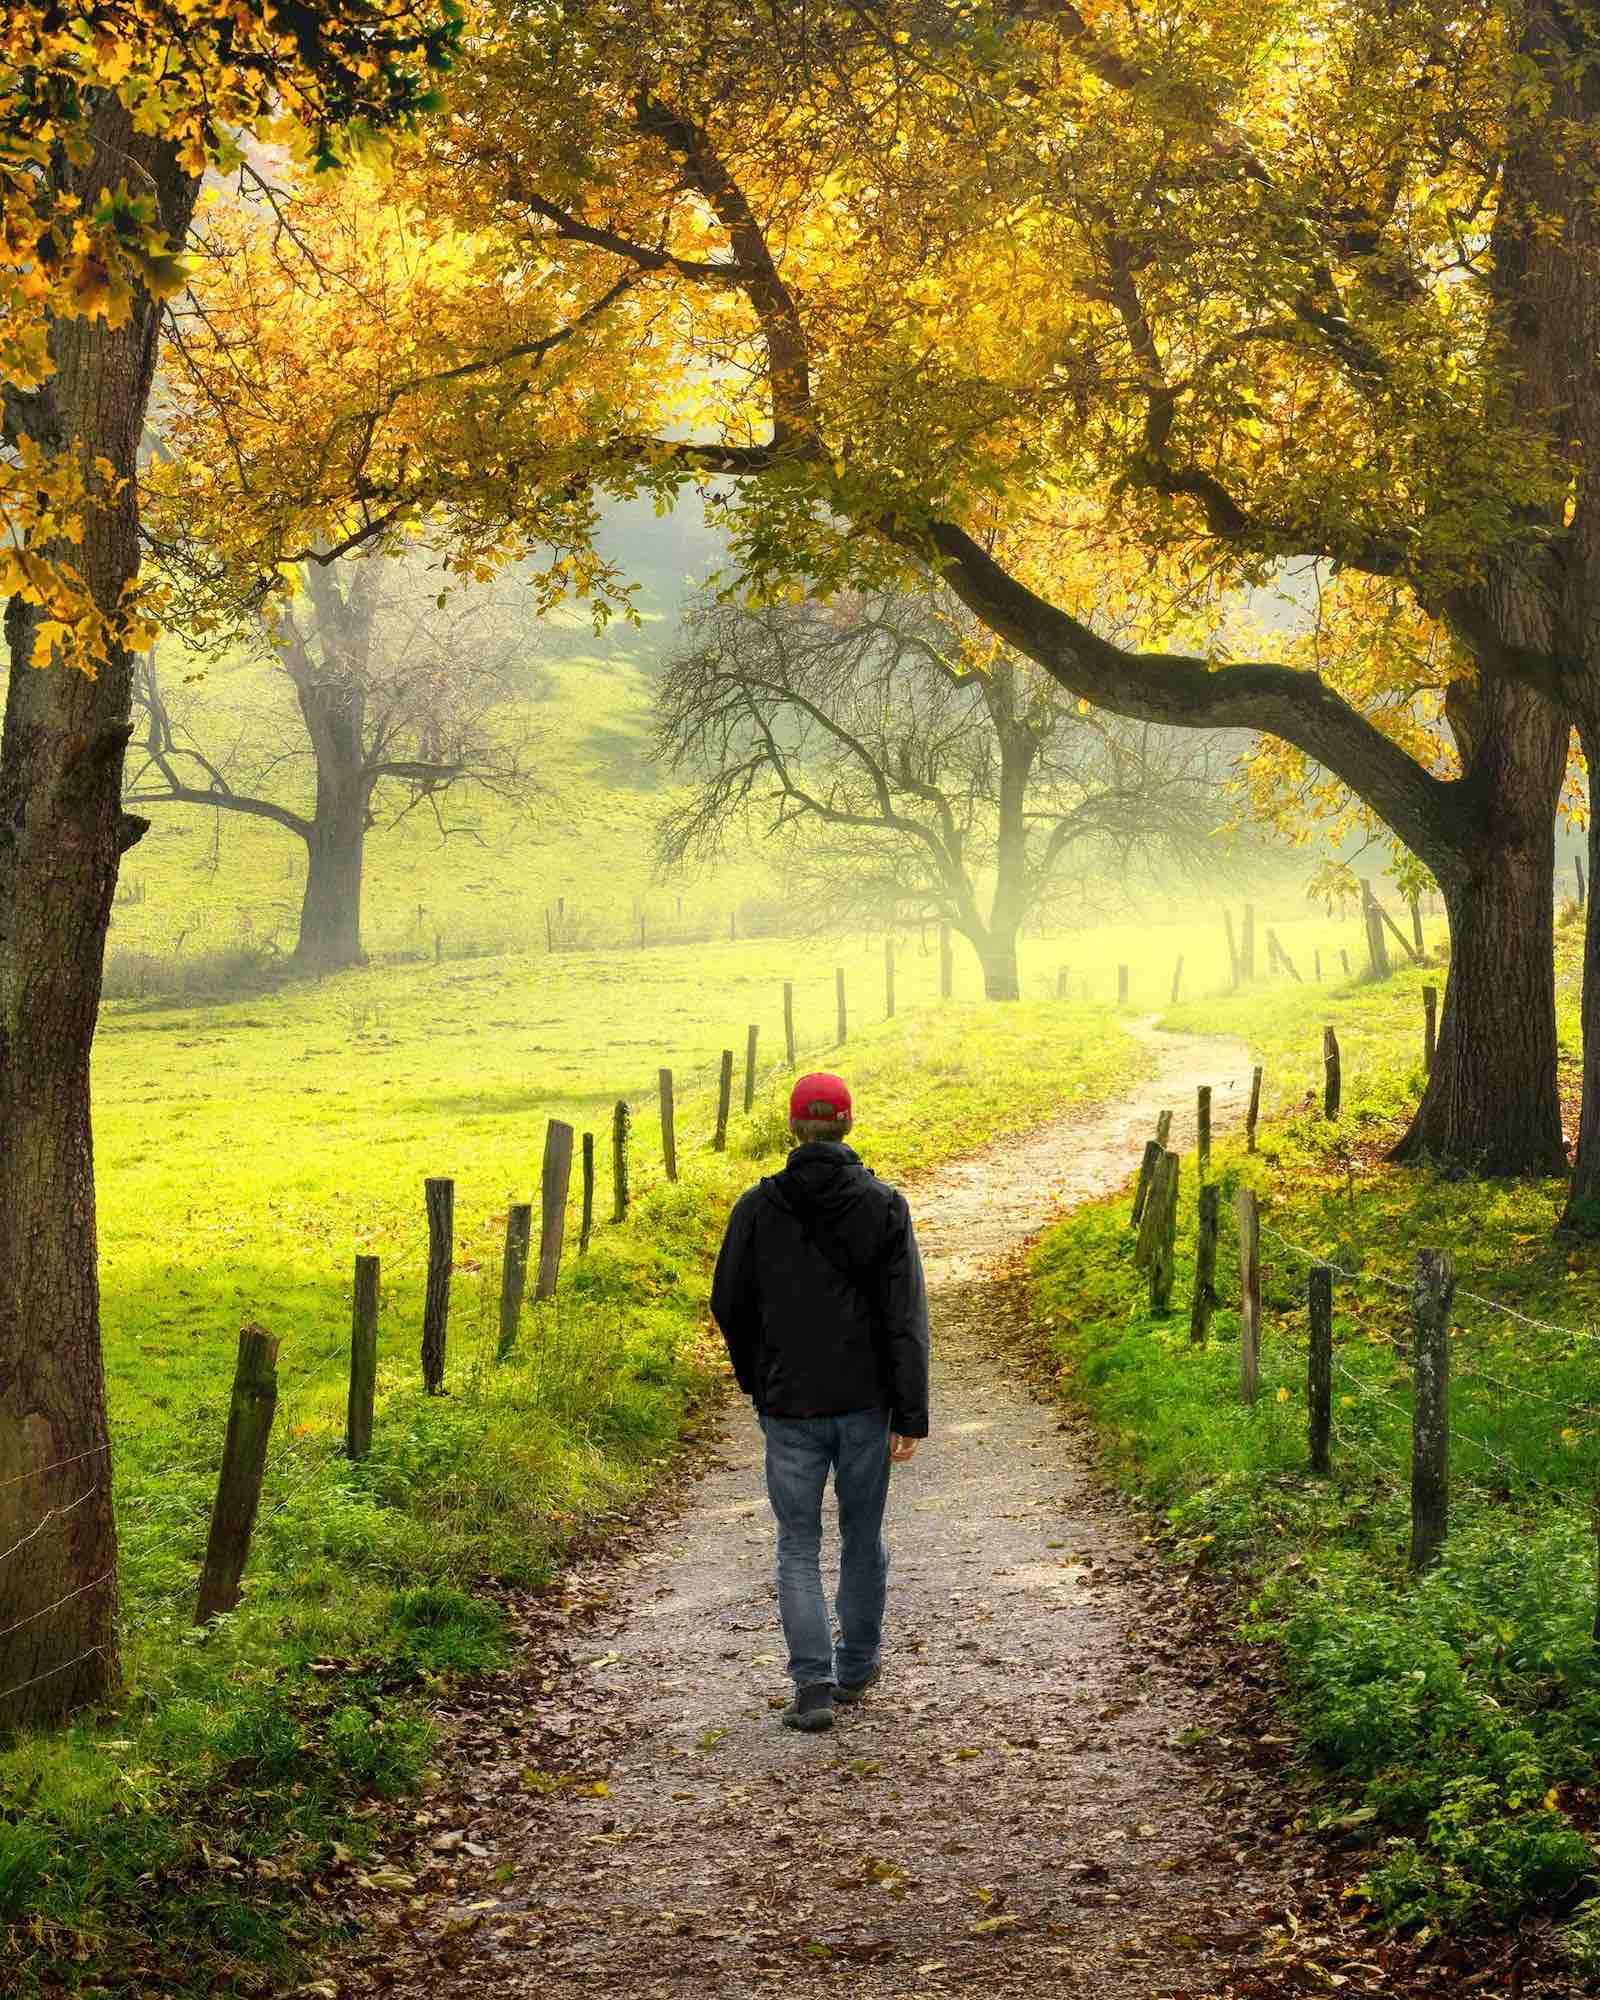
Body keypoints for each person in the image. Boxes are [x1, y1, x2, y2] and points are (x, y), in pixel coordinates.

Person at [710, 1070, 929, 1733]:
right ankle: (856, 1668)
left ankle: (812, 1684)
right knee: (864, 1537)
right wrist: (909, 1410)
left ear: (791, 1128)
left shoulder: (756, 1207)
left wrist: (759, 1380)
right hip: (865, 1405)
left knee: (797, 1546)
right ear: (849, 1126)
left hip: (790, 1406)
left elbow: (729, 1303)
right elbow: (905, 1316)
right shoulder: (885, 1206)